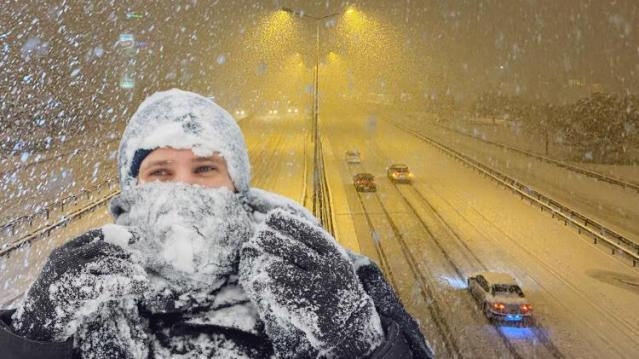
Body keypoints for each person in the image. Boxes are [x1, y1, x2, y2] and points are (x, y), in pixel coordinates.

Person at [0, 89, 434, 358]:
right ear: (132, 190)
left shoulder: (326, 274)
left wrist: (360, 341)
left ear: (236, 185)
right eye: (161, 172)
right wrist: (31, 336)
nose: (185, 190)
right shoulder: (83, 290)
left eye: (205, 169)